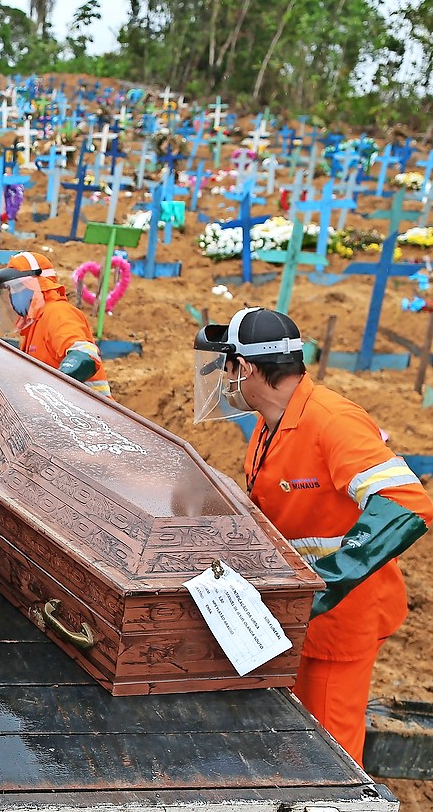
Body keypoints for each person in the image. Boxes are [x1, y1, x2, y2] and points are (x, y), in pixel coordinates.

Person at [193, 307, 431, 763]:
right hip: (299, 617)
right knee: (295, 742)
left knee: (330, 757)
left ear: (245, 368)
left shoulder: (331, 420)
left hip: (340, 623)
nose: (223, 380)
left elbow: (407, 500)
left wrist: (325, 584)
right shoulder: (268, 425)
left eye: (225, 367)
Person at [0, 251, 110, 396]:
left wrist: (55, 386)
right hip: (67, 411)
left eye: (18, 286)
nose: (13, 294)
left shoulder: (58, 313)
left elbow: (85, 355)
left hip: (92, 411)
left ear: (38, 283)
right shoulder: (33, 326)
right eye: (11, 289)